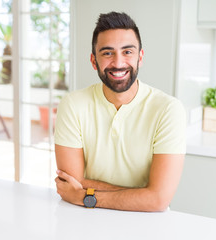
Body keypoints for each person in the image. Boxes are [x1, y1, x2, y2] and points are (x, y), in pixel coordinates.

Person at [54, 11, 186, 212]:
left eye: (127, 52)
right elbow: (70, 183)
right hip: (84, 219)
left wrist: (86, 196)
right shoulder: (72, 105)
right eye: (107, 53)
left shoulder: (168, 110)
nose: (118, 63)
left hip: (146, 222)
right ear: (93, 60)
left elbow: (158, 200)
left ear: (140, 57)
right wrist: (143, 195)